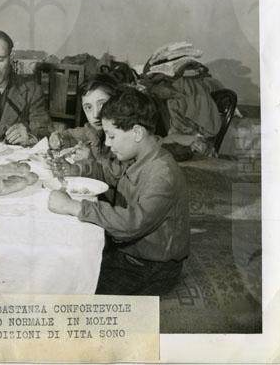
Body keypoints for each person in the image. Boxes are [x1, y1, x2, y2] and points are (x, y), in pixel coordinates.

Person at [48, 87, 189, 295]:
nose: (107, 143)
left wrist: (75, 207)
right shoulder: (137, 155)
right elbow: (108, 173)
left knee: (78, 291)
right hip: (128, 251)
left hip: (150, 266)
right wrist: (77, 169)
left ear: (137, 133)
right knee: (65, 266)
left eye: (111, 136)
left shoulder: (162, 175)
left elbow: (132, 223)